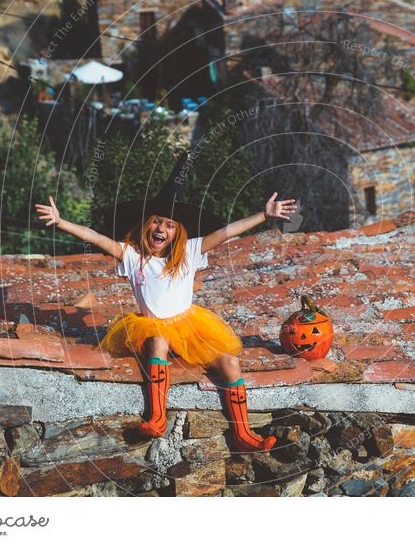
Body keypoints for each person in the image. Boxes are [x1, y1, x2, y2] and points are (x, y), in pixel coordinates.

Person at [34, 190, 297, 452]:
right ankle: (157, 418)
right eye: (157, 222)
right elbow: (95, 237)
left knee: (230, 363)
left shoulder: (190, 251)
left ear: (178, 232)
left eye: (170, 225)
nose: (162, 228)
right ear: (146, 225)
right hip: (151, 328)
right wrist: (61, 222)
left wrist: (264, 215)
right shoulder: (132, 256)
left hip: (189, 326)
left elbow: (226, 232)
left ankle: (244, 433)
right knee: (158, 341)